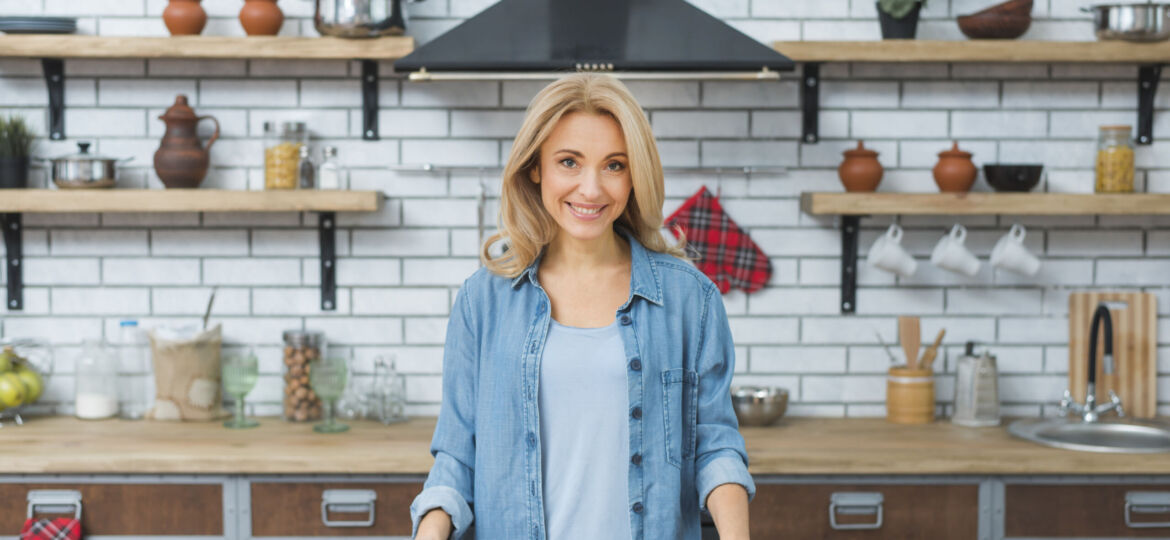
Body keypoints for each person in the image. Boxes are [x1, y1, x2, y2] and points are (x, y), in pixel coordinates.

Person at [410, 73, 754, 540]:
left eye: (614, 165)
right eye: (569, 162)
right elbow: (456, 459)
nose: (591, 190)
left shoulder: (690, 300)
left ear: (635, 175)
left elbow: (715, 447)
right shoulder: (483, 302)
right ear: (536, 168)